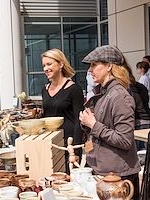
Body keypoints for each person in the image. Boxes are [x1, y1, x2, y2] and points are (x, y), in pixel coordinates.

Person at [79, 45, 141, 200]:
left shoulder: (119, 96)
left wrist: (93, 124)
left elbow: (124, 140)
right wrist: (87, 122)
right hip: (107, 173)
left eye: (94, 65)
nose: (90, 70)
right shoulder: (105, 93)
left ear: (108, 66)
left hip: (119, 180)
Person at [41, 48, 84, 174]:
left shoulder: (74, 89)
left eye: (49, 64)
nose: (45, 68)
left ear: (61, 64)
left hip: (68, 145)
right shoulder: (45, 89)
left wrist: (75, 151)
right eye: (44, 65)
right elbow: (46, 116)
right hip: (51, 143)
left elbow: (78, 121)